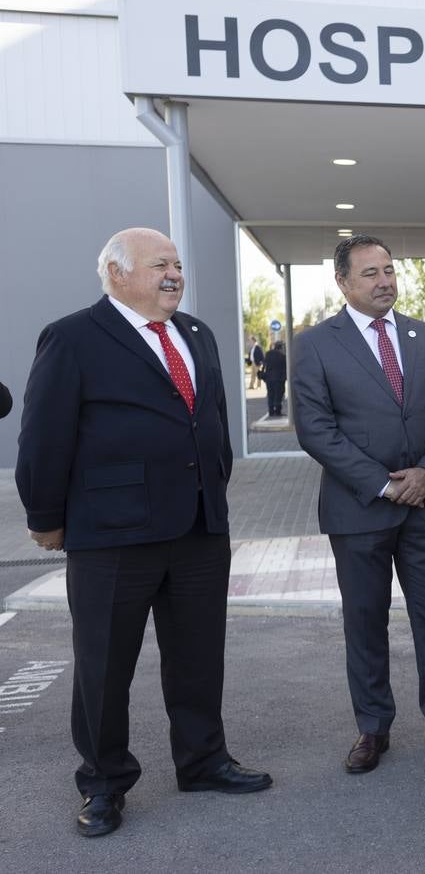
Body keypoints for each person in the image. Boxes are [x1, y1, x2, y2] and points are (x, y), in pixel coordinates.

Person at [14, 227, 272, 838]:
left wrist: (214, 488)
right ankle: (103, 784)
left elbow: (209, 421)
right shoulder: (73, 337)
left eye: (177, 264)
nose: (173, 274)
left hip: (199, 529)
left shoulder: (198, 334)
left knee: (198, 658)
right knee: (104, 667)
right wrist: (46, 517)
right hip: (114, 535)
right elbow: (44, 437)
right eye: (160, 264)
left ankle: (203, 760)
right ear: (115, 273)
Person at [291, 235, 425, 775]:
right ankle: (373, 727)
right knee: (365, 620)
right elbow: (315, 430)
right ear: (343, 282)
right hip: (359, 511)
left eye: (390, 271)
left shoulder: (424, 337)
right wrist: (382, 484)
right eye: (371, 273)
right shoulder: (316, 344)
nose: (385, 282)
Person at [262, 340, 287, 417]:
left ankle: (271, 411)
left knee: (270, 394)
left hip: (269, 378)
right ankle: (278, 411)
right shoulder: (283, 356)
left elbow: (264, 365)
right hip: (279, 379)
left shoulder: (268, 354)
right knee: (278, 395)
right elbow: (285, 368)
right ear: (281, 347)